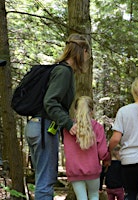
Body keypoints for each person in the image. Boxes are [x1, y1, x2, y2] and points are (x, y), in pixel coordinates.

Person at [24, 33, 90, 200]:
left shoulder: (60, 70)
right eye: (87, 53)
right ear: (81, 51)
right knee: (46, 180)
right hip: (44, 128)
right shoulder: (64, 72)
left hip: (36, 126)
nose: (88, 57)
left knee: (42, 178)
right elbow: (50, 102)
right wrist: (69, 124)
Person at [63, 96, 110, 200]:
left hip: (74, 170)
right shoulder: (97, 127)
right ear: (92, 111)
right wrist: (107, 159)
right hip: (92, 170)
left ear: (75, 110)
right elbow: (102, 152)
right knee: (94, 196)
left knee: (81, 198)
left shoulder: (68, 128)